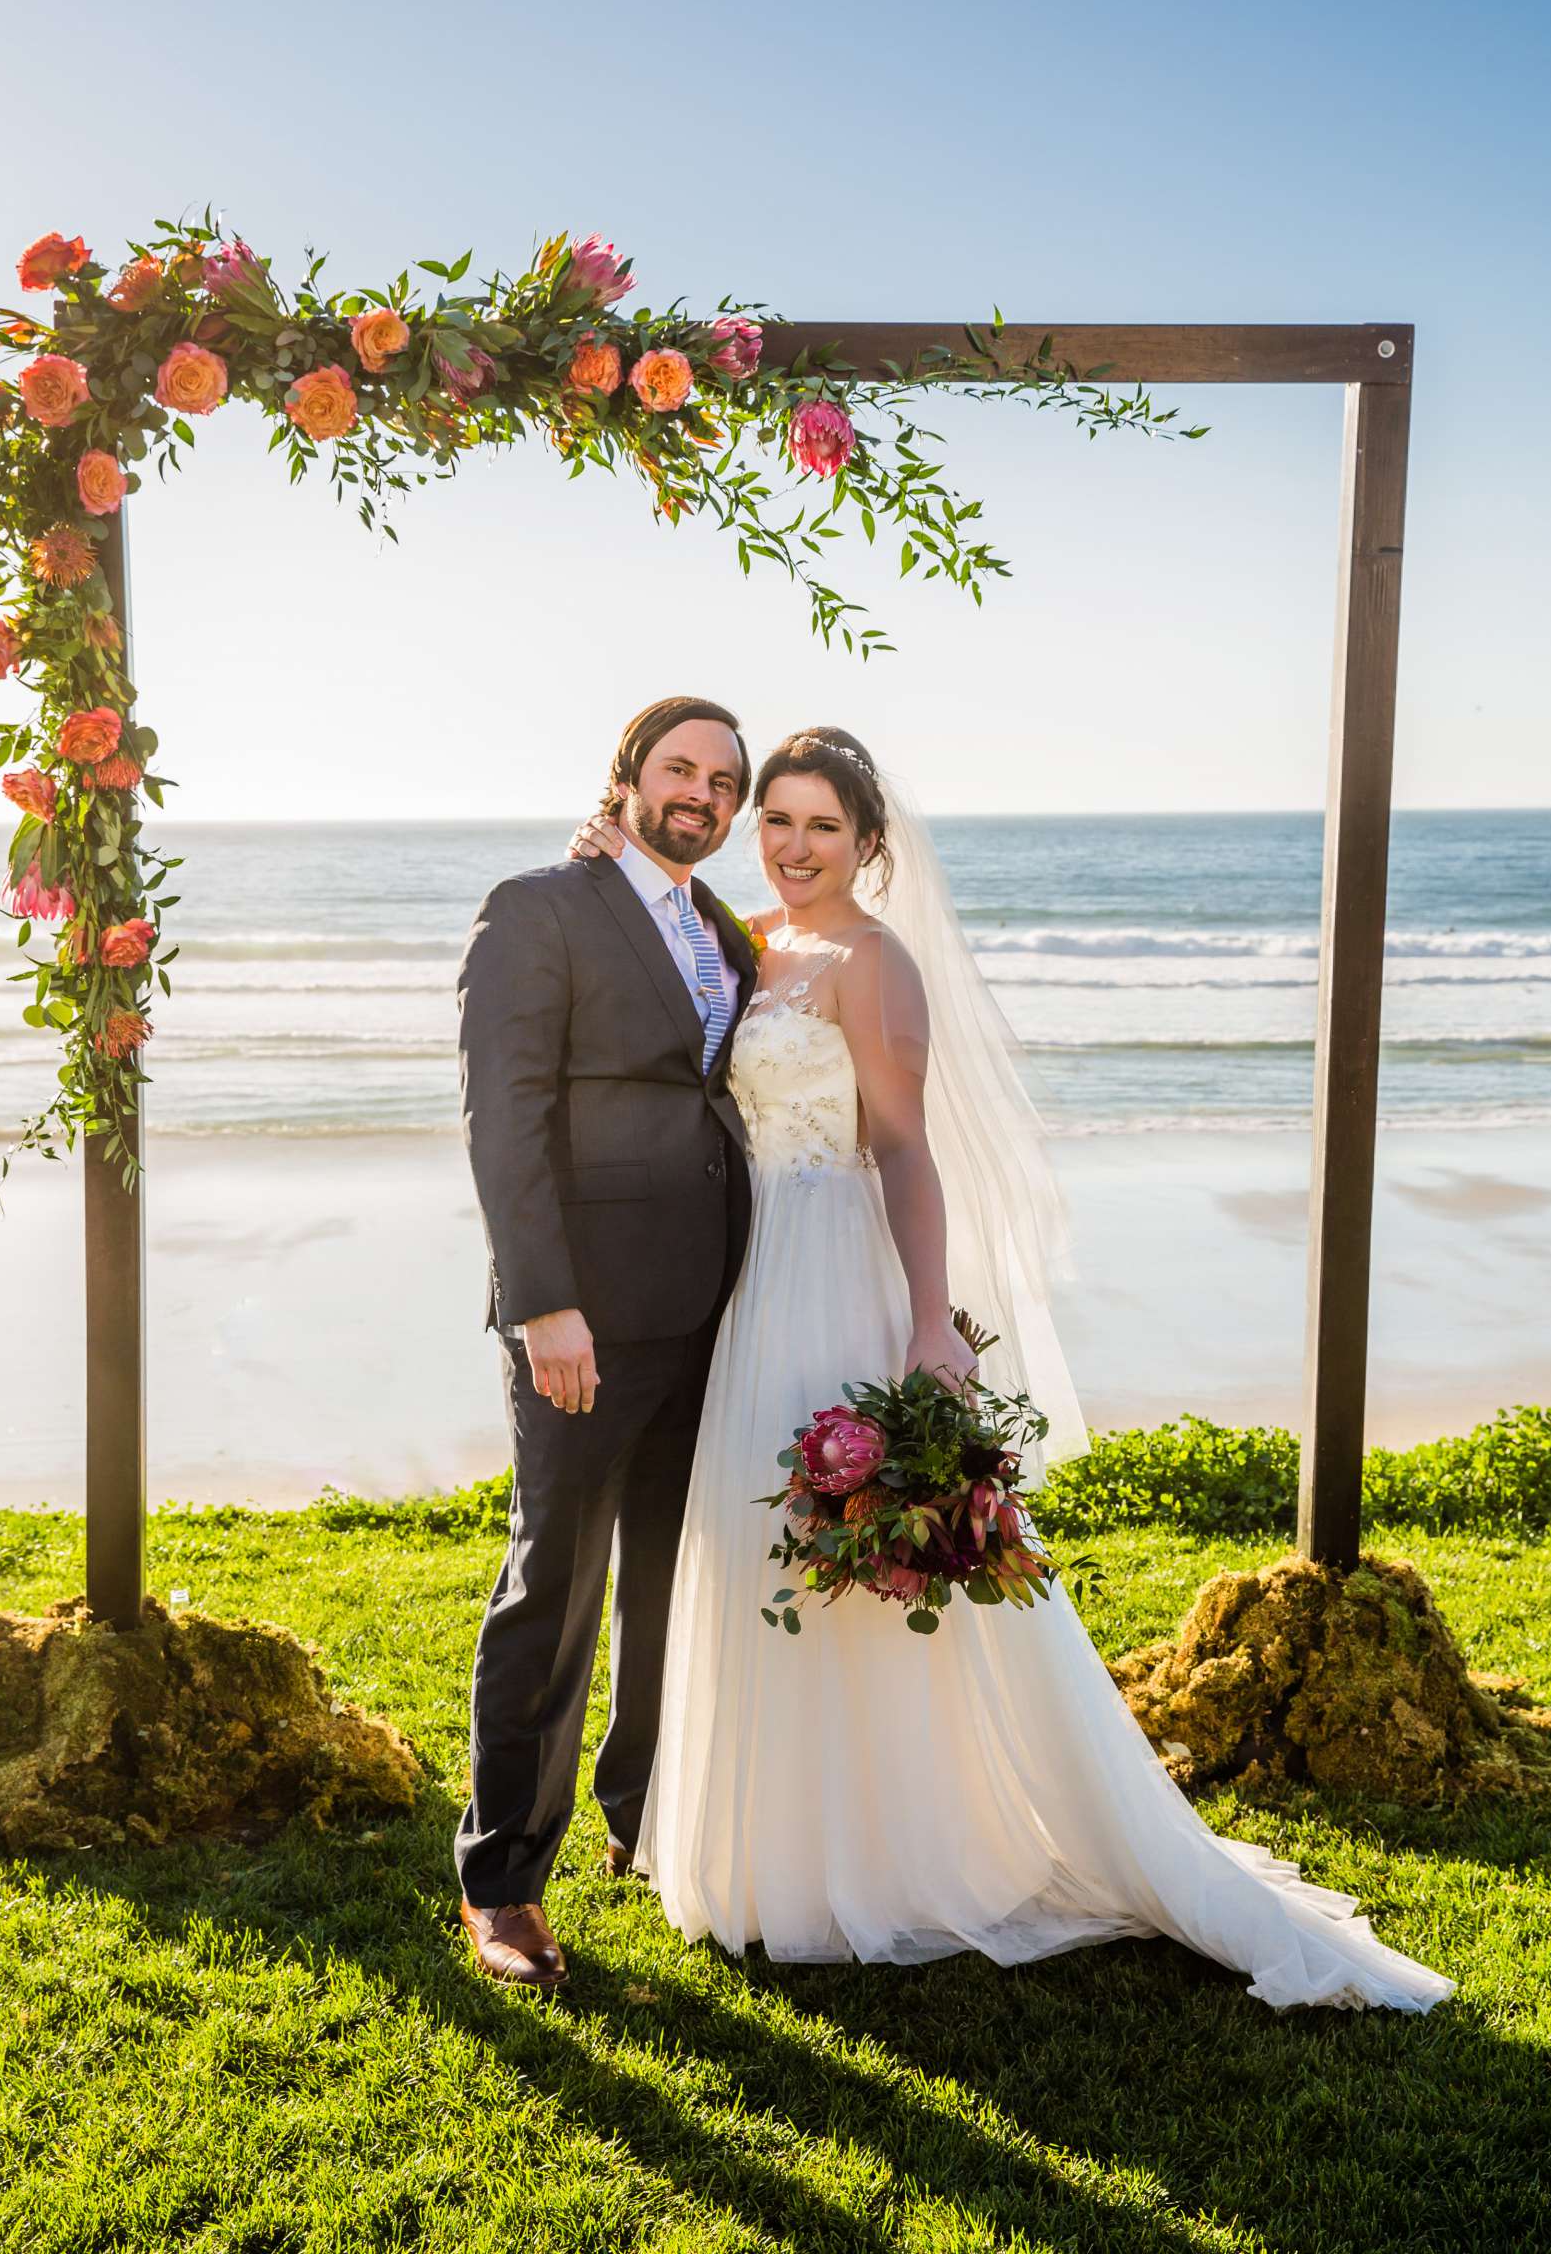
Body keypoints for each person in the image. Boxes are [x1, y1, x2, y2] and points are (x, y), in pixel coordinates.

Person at [565, 726, 1453, 2011]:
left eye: (823, 825)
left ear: (871, 845)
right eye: (778, 820)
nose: (795, 845)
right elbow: (657, 925)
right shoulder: (747, 938)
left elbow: (908, 1154)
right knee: (757, 1552)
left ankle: (884, 1855)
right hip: (745, 1278)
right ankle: (766, 1850)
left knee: (850, 1569)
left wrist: (931, 1324)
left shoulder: (874, 965)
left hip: (833, 1268)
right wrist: (607, 857)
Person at [453, 695, 758, 1992]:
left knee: (666, 1588)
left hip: (708, 1307)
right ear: (627, 776)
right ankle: (504, 1880)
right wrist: (541, 1304)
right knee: (555, 1586)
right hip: (582, 1316)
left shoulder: (723, 930)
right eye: (679, 767)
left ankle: (647, 1822)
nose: (701, 792)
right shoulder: (539, 906)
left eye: (723, 781)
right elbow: (502, 1116)